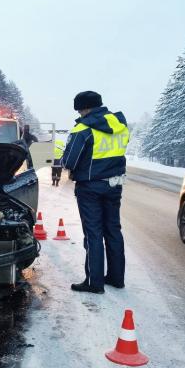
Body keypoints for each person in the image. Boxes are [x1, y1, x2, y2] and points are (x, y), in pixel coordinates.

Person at [62, 91, 129, 294]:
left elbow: (68, 161)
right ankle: (116, 278)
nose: (80, 113)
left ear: (85, 108)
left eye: (80, 109)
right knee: (113, 230)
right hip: (115, 184)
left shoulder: (83, 129)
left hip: (90, 187)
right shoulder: (120, 125)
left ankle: (94, 282)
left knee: (93, 233)